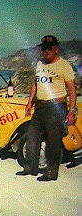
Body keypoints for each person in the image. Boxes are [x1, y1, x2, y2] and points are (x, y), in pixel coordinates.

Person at [16, 35, 77, 181]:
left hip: (56, 107)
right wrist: (30, 102)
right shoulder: (40, 64)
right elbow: (36, 84)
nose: (46, 51)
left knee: (53, 141)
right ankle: (30, 167)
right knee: (32, 137)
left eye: (49, 48)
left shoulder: (64, 65)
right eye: (44, 48)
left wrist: (71, 111)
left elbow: (72, 90)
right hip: (40, 106)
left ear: (56, 49)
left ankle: (51, 172)